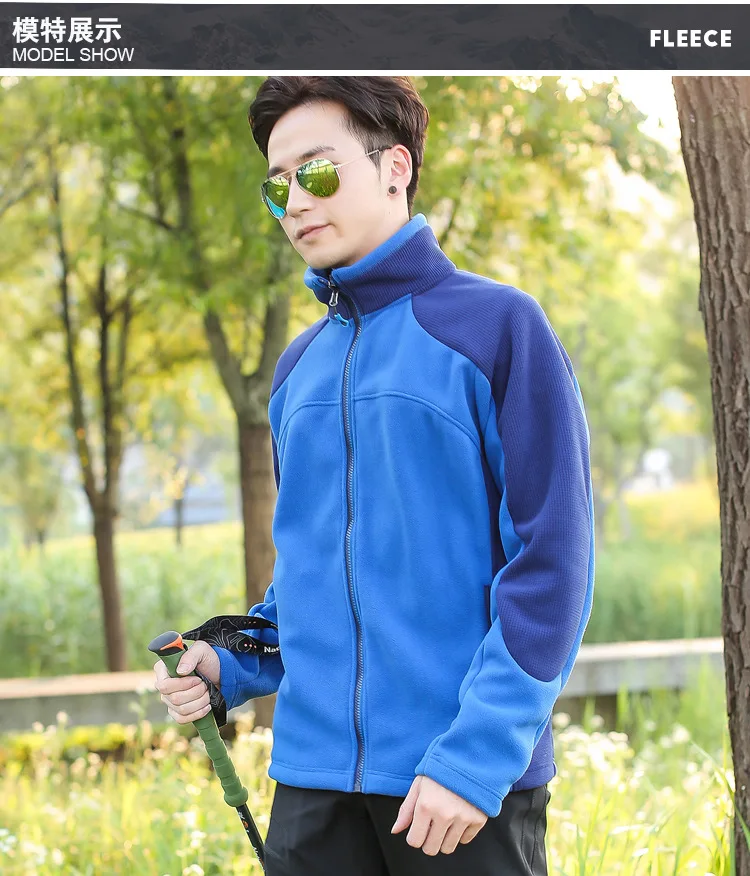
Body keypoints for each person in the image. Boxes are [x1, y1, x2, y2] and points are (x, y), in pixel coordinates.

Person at [154, 76, 595, 876]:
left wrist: (474, 760)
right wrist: (231, 664)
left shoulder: (499, 329)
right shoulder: (295, 372)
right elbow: (311, 581)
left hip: (456, 788)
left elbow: (553, 567)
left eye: (318, 173)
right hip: (311, 788)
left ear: (396, 168)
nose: (295, 202)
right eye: (277, 187)